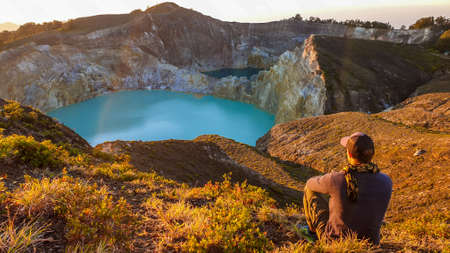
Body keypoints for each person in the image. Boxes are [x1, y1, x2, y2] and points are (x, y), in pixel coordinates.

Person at [302, 132, 392, 244]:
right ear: (372, 154)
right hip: (371, 243)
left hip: (335, 242)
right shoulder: (386, 181)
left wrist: (329, 179)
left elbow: (310, 183)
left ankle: (312, 233)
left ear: (349, 154)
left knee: (310, 190)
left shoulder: (336, 179)